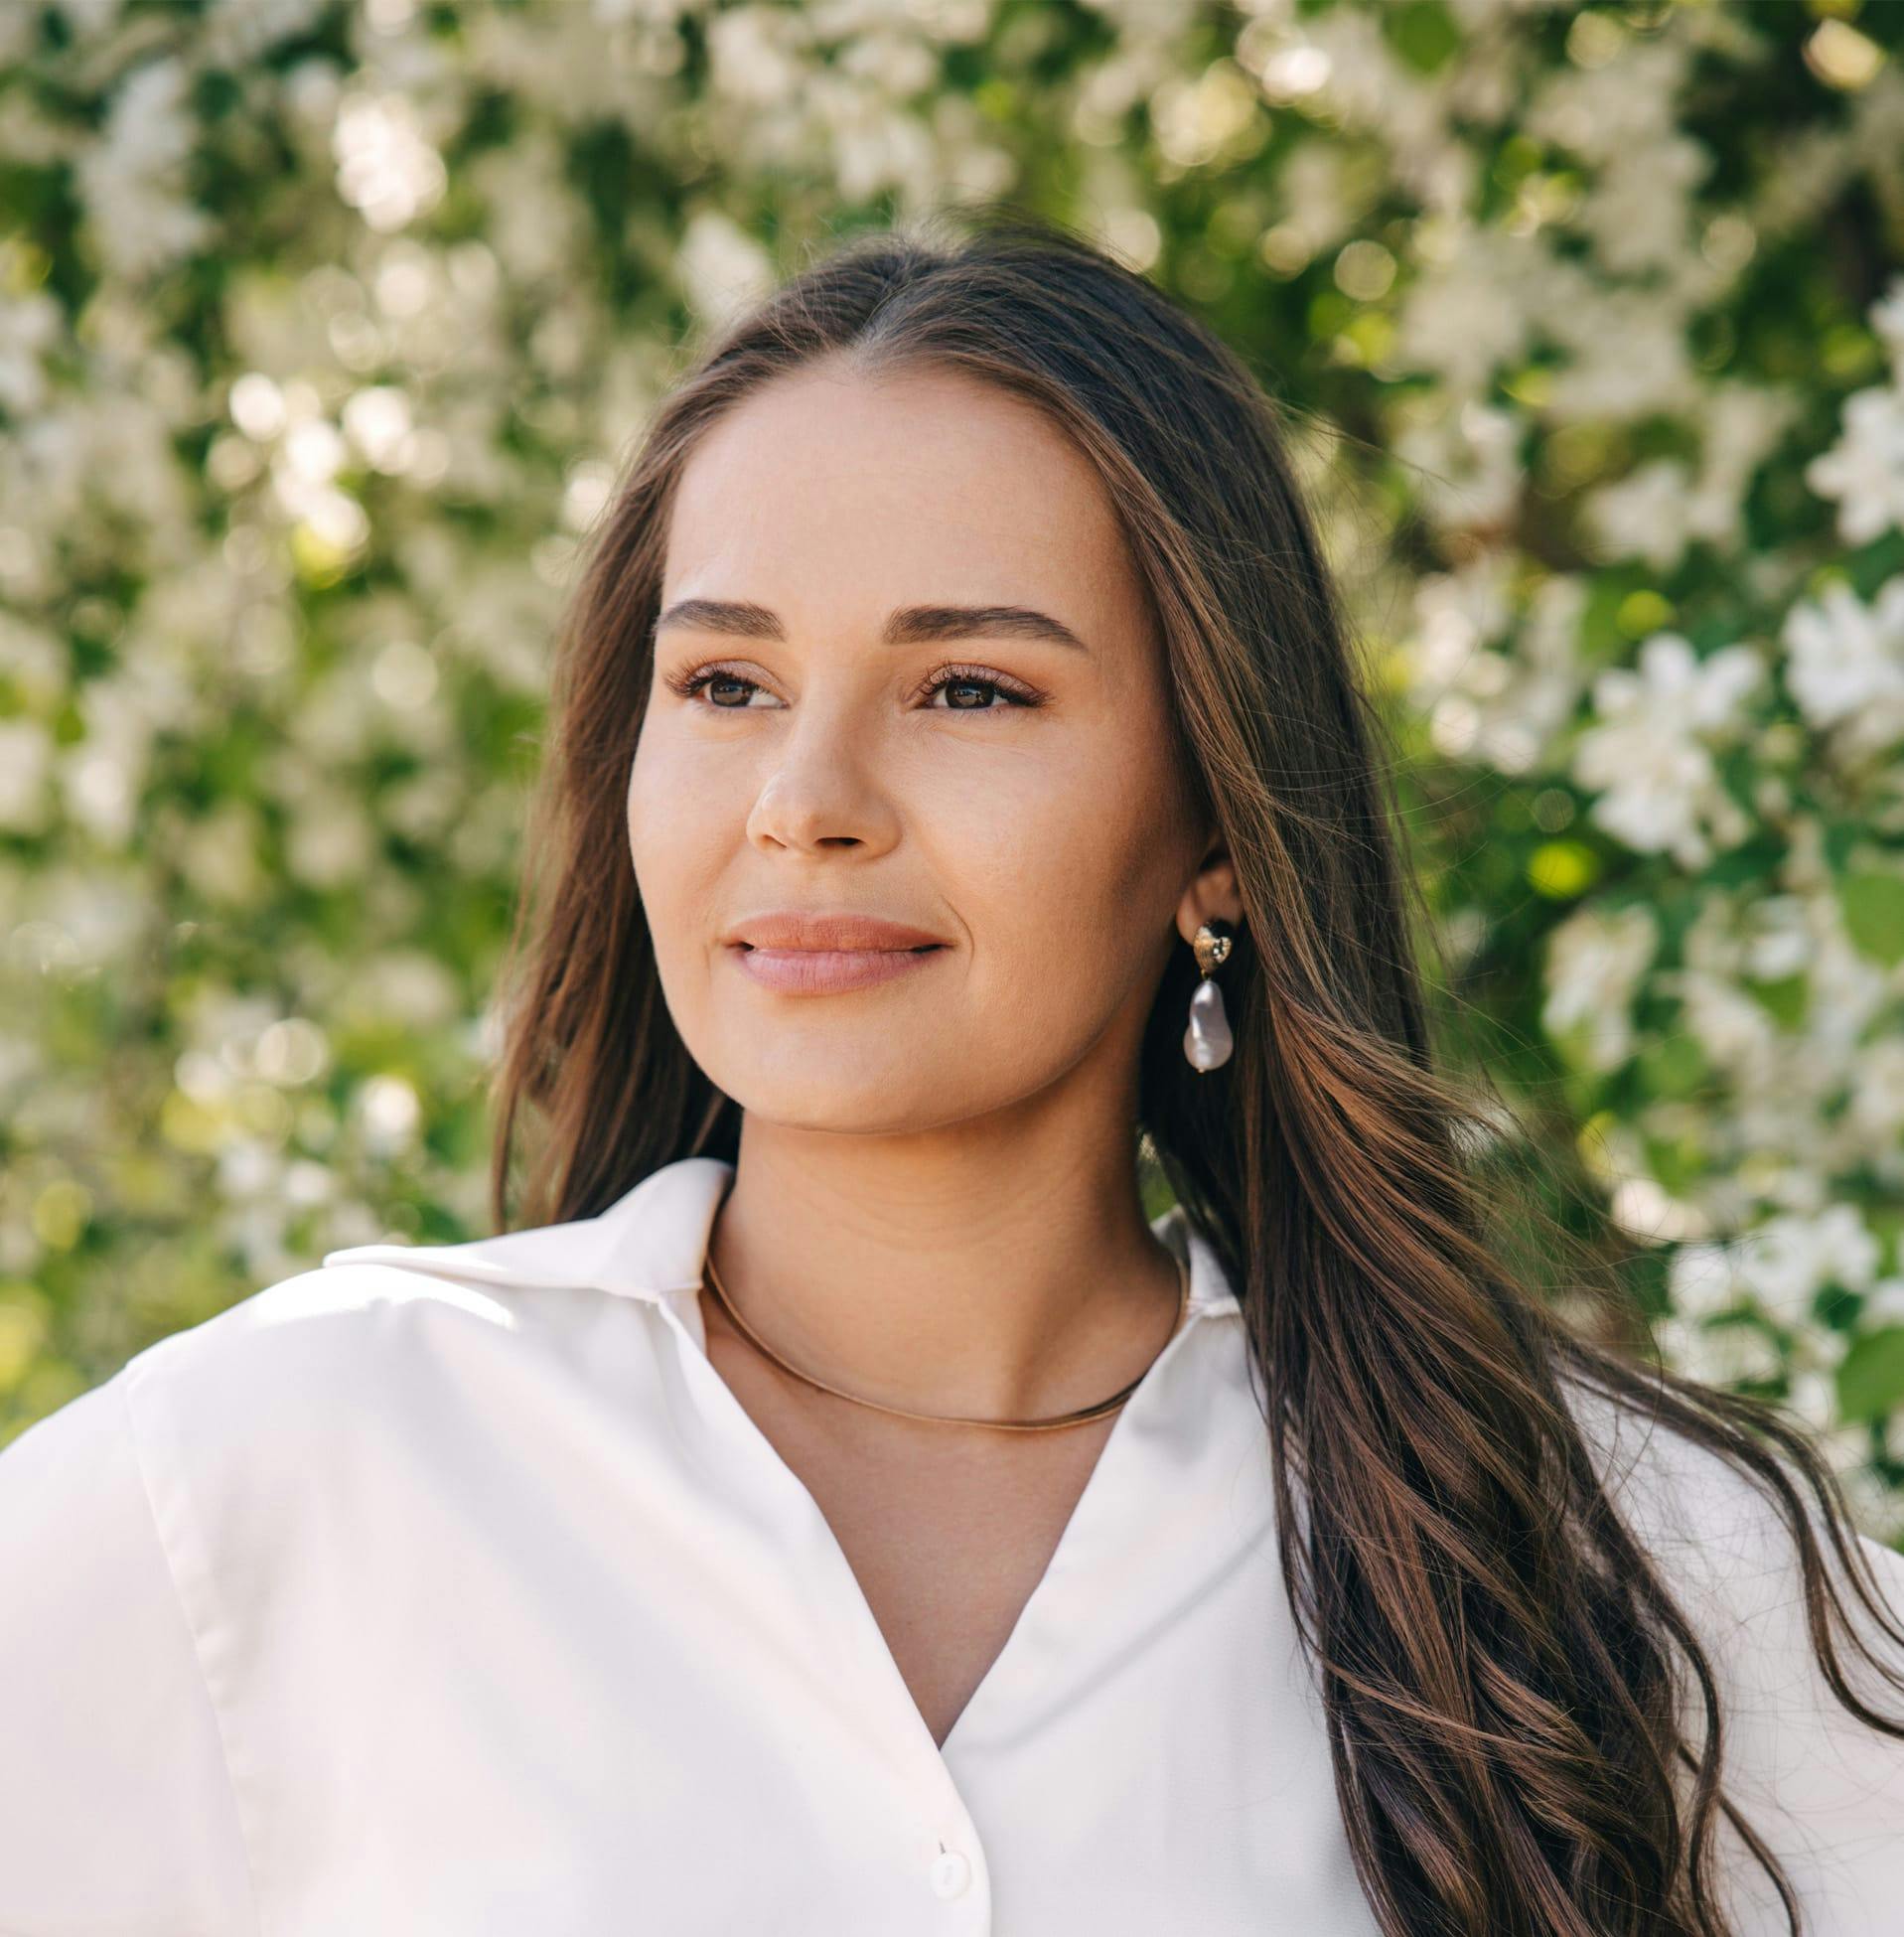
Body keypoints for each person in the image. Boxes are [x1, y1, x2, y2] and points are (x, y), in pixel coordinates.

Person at [2, 211, 1902, 1937]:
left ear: (1219, 819)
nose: (804, 803)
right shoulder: (290, 1465)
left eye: (967, 690)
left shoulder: (1591, 1551)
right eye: (724, 685)